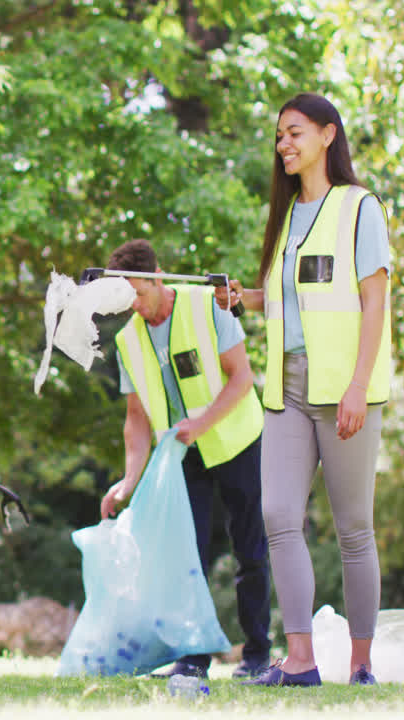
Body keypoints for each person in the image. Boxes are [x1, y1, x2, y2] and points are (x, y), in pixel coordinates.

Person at [218, 92, 392, 687]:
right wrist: (245, 299)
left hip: (344, 387)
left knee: (353, 528)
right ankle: (300, 661)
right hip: (286, 391)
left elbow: (374, 301)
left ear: (327, 135)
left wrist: (358, 385)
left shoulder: (360, 208)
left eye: (294, 133)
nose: (284, 145)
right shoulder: (288, 216)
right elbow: (289, 300)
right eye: (279, 137)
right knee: (277, 514)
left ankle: (362, 664)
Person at [99, 239, 273, 681]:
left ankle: (256, 654)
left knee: (249, 550)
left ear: (158, 278)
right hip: (183, 454)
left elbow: (242, 378)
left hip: (236, 439)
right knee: (186, 555)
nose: (135, 305)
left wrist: (203, 422)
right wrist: (128, 479)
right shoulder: (127, 340)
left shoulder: (206, 305)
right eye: (125, 298)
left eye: (139, 293)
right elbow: (136, 418)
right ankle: (193, 658)